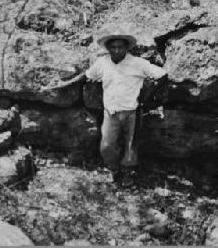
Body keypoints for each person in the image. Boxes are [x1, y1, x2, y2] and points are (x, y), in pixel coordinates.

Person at [42, 29, 168, 187]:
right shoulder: (102, 63)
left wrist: (148, 95)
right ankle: (115, 170)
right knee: (107, 146)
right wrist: (65, 85)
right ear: (108, 48)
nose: (116, 50)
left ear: (126, 47)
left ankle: (128, 173)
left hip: (132, 112)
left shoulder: (137, 63)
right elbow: (86, 76)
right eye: (113, 47)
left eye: (120, 47)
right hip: (110, 113)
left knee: (131, 146)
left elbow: (162, 75)